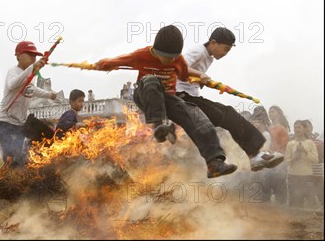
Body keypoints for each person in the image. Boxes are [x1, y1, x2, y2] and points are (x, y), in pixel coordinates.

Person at [95, 25, 236, 178]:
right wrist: (103, 64)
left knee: (197, 116)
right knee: (152, 81)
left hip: (167, 99)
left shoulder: (178, 61)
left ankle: (214, 163)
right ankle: (158, 125)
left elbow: (184, 72)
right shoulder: (141, 55)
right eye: (167, 57)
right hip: (145, 94)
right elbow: (120, 60)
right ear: (156, 51)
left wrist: (200, 76)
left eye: (173, 58)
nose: (170, 61)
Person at [175, 27, 284, 172]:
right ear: (213, 43)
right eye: (225, 49)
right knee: (228, 114)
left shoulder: (208, 57)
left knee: (227, 116)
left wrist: (200, 81)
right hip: (182, 97)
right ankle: (255, 155)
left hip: (191, 97)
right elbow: (177, 66)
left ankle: (254, 155)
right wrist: (200, 74)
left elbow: (188, 75)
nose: (225, 54)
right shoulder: (199, 51)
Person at [0, 41, 57, 167]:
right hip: (6, 121)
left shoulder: (31, 74)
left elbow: (31, 89)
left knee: (21, 157)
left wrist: (49, 94)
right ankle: (7, 181)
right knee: (10, 158)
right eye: (30, 54)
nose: (33, 58)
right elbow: (13, 84)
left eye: (35, 56)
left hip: (20, 123)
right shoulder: (13, 71)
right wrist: (32, 68)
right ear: (18, 55)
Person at [285, 120, 319, 208]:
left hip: (307, 176)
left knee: (310, 202)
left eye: (299, 127)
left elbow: (316, 160)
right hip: (293, 176)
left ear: (304, 129)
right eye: (295, 127)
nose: (297, 129)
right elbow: (286, 161)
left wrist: (305, 151)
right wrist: (294, 158)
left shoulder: (310, 143)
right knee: (295, 203)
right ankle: (295, 220)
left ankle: (309, 220)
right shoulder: (290, 144)